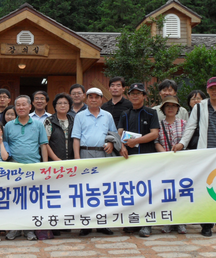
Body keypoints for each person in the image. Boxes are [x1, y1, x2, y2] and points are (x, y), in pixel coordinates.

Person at [173, 77, 216, 238]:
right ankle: (206, 225)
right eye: (211, 88)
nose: (214, 91)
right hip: (205, 157)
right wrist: (182, 144)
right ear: (208, 90)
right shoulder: (199, 108)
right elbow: (190, 128)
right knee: (205, 191)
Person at [72, 88, 117, 236]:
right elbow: (76, 138)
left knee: (103, 189)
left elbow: (113, 134)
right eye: (90, 97)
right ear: (86, 99)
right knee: (87, 189)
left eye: (96, 97)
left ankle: (102, 223)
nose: (93, 99)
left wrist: (111, 143)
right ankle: (86, 224)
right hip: (85, 153)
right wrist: (77, 158)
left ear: (101, 99)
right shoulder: (80, 116)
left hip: (104, 154)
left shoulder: (107, 115)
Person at [117, 83, 159, 237]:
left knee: (147, 192)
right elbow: (119, 133)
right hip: (129, 159)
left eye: (138, 93)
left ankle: (147, 224)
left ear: (144, 96)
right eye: (132, 93)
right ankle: (134, 222)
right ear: (128, 96)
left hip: (147, 158)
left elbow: (155, 134)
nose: (135, 96)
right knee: (131, 191)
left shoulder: (151, 113)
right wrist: (122, 145)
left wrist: (136, 141)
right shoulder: (125, 114)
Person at [4, 95, 48, 241]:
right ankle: (15, 228)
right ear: (15, 108)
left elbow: (43, 145)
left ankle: (29, 229)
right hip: (14, 168)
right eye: (18, 105)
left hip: (33, 168)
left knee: (31, 200)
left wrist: (45, 166)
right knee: (15, 199)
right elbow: (4, 146)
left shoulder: (38, 125)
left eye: (24, 105)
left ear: (30, 107)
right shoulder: (9, 126)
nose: (21, 107)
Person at [154, 96, 187, 234]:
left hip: (181, 163)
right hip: (165, 162)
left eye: (173, 106)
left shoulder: (184, 124)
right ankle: (167, 221)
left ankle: (180, 222)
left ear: (178, 108)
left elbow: (187, 140)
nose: (170, 108)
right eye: (167, 106)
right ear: (163, 109)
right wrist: (166, 154)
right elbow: (156, 141)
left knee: (180, 192)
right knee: (166, 192)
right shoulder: (159, 125)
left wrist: (178, 150)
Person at [44, 93, 74, 161]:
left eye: (65, 103)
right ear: (55, 106)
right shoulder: (49, 121)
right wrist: (56, 159)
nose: (62, 105)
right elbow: (45, 143)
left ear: (69, 106)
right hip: (54, 161)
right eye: (59, 103)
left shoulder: (73, 120)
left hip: (71, 161)